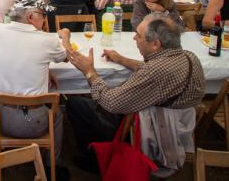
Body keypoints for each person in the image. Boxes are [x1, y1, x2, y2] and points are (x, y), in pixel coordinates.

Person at [66, 14, 205, 173]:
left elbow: (111, 103)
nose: (134, 38)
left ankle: (95, 161)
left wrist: (89, 71)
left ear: (155, 44)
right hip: (180, 126)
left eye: (138, 35)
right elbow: (151, 70)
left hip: (155, 133)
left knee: (76, 104)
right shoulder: (189, 56)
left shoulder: (156, 71)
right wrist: (122, 60)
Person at [0, 0, 70, 172]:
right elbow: (66, 56)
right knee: (59, 112)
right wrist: (65, 36)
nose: (46, 20)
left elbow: (19, 53)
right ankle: (53, 165)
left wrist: (46, 69)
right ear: (30, 17)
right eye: (43, 15)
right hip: (31, 122)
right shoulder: (48, 40)